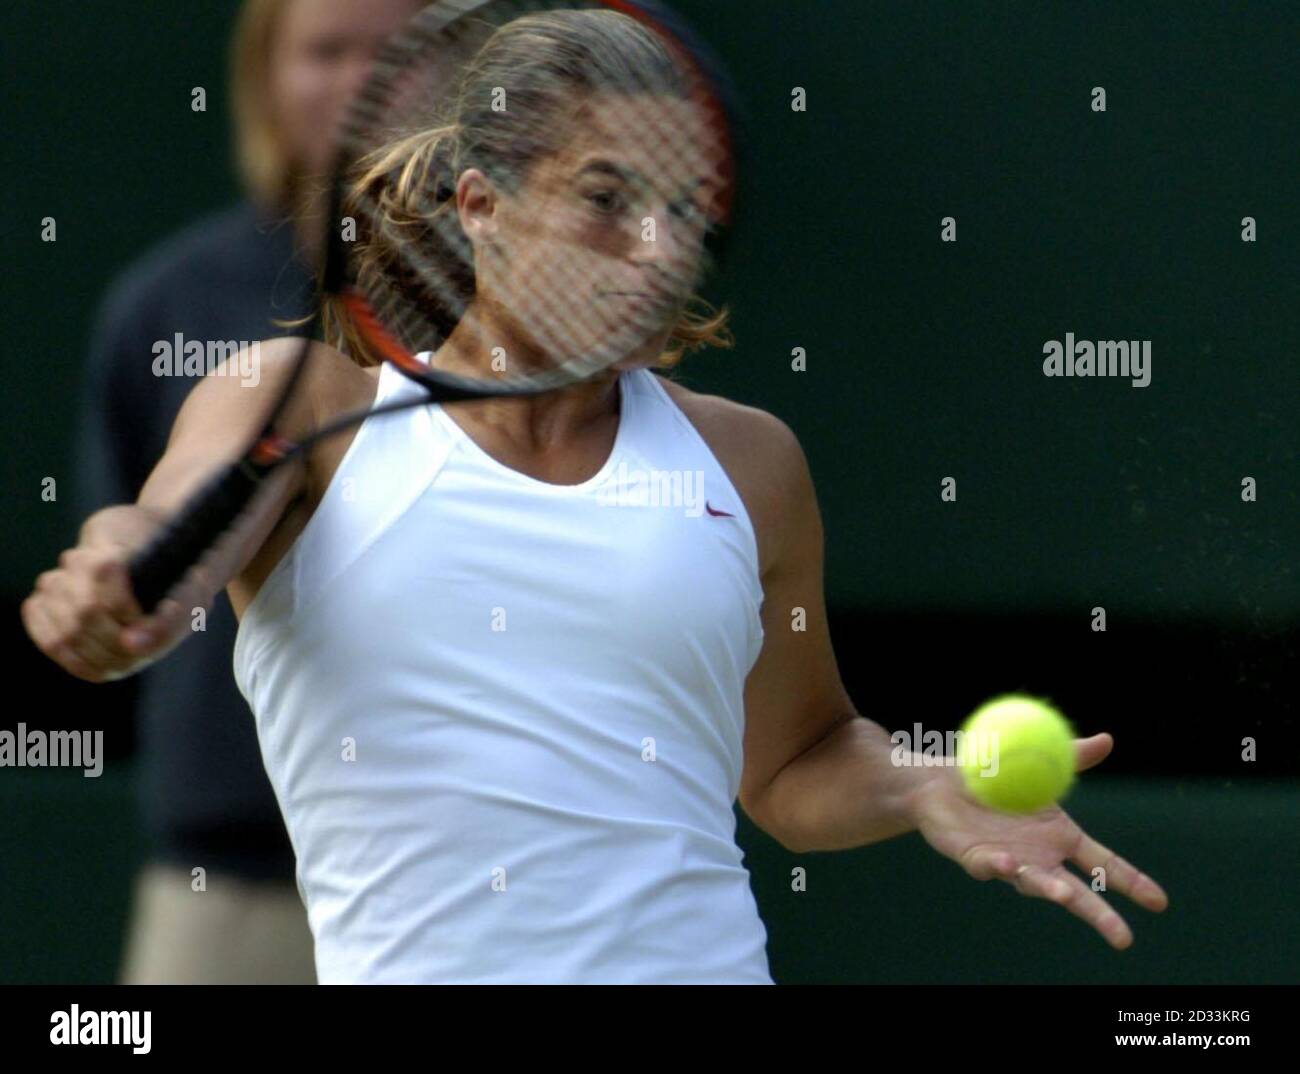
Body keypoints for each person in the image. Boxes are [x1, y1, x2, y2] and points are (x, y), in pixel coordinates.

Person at [31, 8, 1169, 984]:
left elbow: (792, 763)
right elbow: (164, 545)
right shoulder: (301, 409)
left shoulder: (750, 464)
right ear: (481, 203)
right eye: (606, 200)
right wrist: (111, 580)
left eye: (684, 212)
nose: (654, 250)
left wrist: (918, 786)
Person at [74, 0, 420, 984]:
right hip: (228, 884)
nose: (359, 80)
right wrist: (120, 571)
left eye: (392, 51)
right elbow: (138, 532)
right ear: (265, 76)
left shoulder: (518, 316)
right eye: (325, 52)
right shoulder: (166, 302)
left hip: (461, 885)